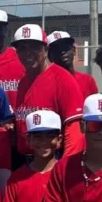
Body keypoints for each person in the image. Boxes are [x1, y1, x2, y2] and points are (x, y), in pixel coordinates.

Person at [12, 24, 83, 159]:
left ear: (45, 50)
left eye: (34, 47)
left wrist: (66, 166)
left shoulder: (61, 78)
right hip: (26, 161)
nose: (28, 53)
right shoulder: (23, 82)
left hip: (53, 159)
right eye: (22, 48)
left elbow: (74, 128)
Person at [47, 31, 99, 98]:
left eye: (65, 47)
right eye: (56, 49)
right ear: (49, 56)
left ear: (74, 50)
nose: (62, 52)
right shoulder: (46, 83)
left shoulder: (88, 81)